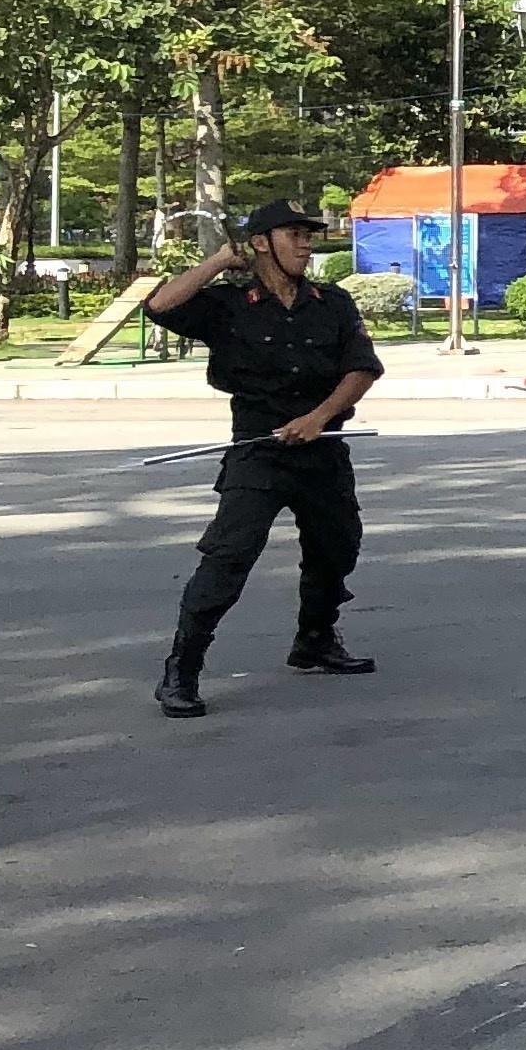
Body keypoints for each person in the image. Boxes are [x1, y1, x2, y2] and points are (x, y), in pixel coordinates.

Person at [144, 201, 385, 717]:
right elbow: (161, 307)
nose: (307, 244)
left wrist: (319, 418)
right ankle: (181, 670)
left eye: (309, 235)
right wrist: (215, 262)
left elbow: (362, 368)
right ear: (260, 243)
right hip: (258, 449)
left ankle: (315, 640)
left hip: (320, 447)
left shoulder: (333, 302)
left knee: (337, 548)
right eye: (294, 234)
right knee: (229, 558)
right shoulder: (230, 305)